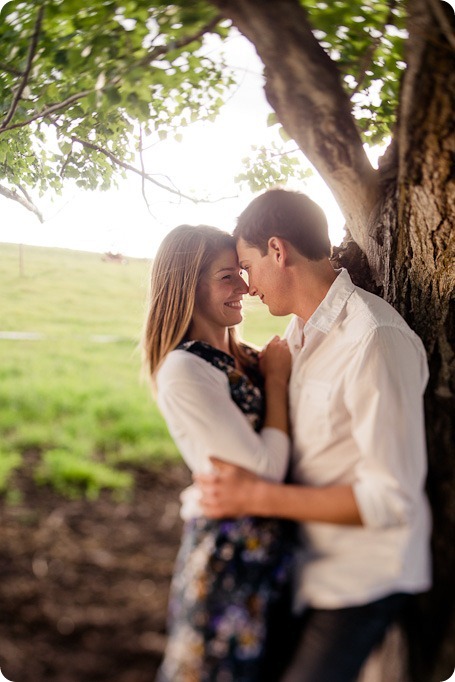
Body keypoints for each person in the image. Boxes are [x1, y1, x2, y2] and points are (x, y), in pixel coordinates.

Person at [196, 189, 432, 682]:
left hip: (359, 578)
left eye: (246, 265)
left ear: (278, 251)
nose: (247, 284)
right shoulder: (299, 337)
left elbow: (390, 499)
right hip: (304, 567)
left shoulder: (374, 339)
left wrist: (257, 496)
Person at [142, 224, 295, 682]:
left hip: (272, 556)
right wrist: (277, 382)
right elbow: (266, 470)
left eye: (241, 273)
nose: (245, 287)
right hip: (229, 563)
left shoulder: (240, 358)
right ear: (187, 285)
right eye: (227, 276)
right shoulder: (184, 370)